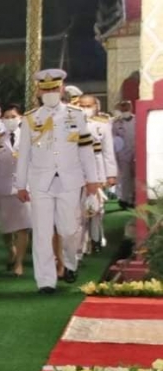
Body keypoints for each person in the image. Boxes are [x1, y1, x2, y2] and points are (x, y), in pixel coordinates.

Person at [16, 68, 99, 294]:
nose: (50, 92)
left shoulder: (77, 115)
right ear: (40, 90)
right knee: (42, 233)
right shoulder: (31, 119)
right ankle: (45, 280)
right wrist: (20, 184)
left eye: (54, 88)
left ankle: (70, 263)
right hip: (40, 182)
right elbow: (24, 154)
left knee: (69, 230)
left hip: (70, 180)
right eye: (46, 89)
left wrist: (92, 180)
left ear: (61, 88)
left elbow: (86, 151)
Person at [0, 103, 31, 277]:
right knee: (7, 228)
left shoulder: (29, 137)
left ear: (20, 118)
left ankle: (19, 263)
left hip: (24, 188)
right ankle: (11, 250)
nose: (10, 120)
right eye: (7, 117)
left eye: (13, 116)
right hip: (3, 189)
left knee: (23, 227)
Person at [78, 94, 118, 253]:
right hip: (78, 167)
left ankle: (95, 238)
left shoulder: (103, 124)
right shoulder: (71, 123)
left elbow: (108, 151)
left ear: (96, 107)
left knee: (96, 206)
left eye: (89, 106)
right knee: (80, 209)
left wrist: (111, 174)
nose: (85, 109)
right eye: (82, 105)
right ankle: (82, 243)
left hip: (97, 165)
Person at [112, 100, 136, 209]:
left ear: (131, 108)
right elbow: (114, 139)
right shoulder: (116, 122)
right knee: (125, 177)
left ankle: (135, 199)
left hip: (137, 153)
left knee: (136, 177)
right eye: (123, 108)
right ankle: (125, 199)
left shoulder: (138, 119)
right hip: (123, 154)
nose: (125, 109)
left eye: (127, 107)